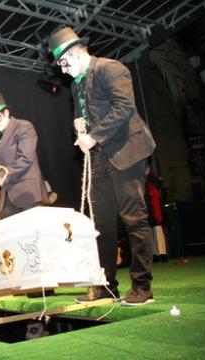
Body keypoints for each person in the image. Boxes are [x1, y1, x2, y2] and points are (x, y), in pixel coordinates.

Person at [48, 26, 156, 306]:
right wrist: (81, 127)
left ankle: (142, 287)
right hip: (100, 158)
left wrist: (94, 135)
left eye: (63, 62)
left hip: (126, 151)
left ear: (75, 52)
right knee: (102, 225)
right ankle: (107, 286)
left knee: (134, 219)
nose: (62, 69)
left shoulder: (110, 68)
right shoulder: (76, 83)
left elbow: (124, 107)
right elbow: (83, 116)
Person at [0, 93, 48, 219]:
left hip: (28, 190)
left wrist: (2, 174)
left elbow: (25, 158)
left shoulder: (23, 127)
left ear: (6, 113)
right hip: (8, 194)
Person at [145, 165, 168, 263]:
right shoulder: (140, 179)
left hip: (155, 209)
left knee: (158, 231)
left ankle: (162, 254)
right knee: (150, 234)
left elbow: (159, 184)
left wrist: (149, 175)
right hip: (146, 210)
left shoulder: (153, 179)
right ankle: (154, 255)